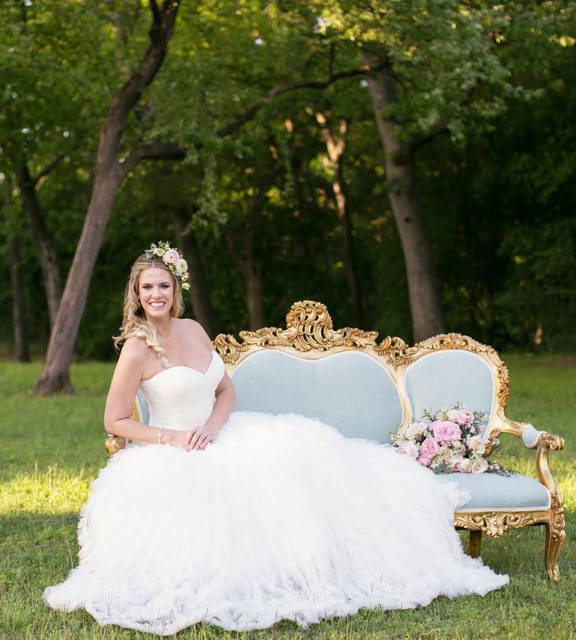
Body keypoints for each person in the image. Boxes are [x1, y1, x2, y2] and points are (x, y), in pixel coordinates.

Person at [43, 242, 508, 635]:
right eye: (147, 288)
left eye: (163, 285)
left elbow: (225, 390)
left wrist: (211, 426)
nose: (156, 294)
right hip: (172, 451)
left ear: (176, 289)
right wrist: (173, 437)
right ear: (137, 295)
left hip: (222, 434)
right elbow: (114, 421)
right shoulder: (137, 348)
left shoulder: (193, 329)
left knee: (309, 465)